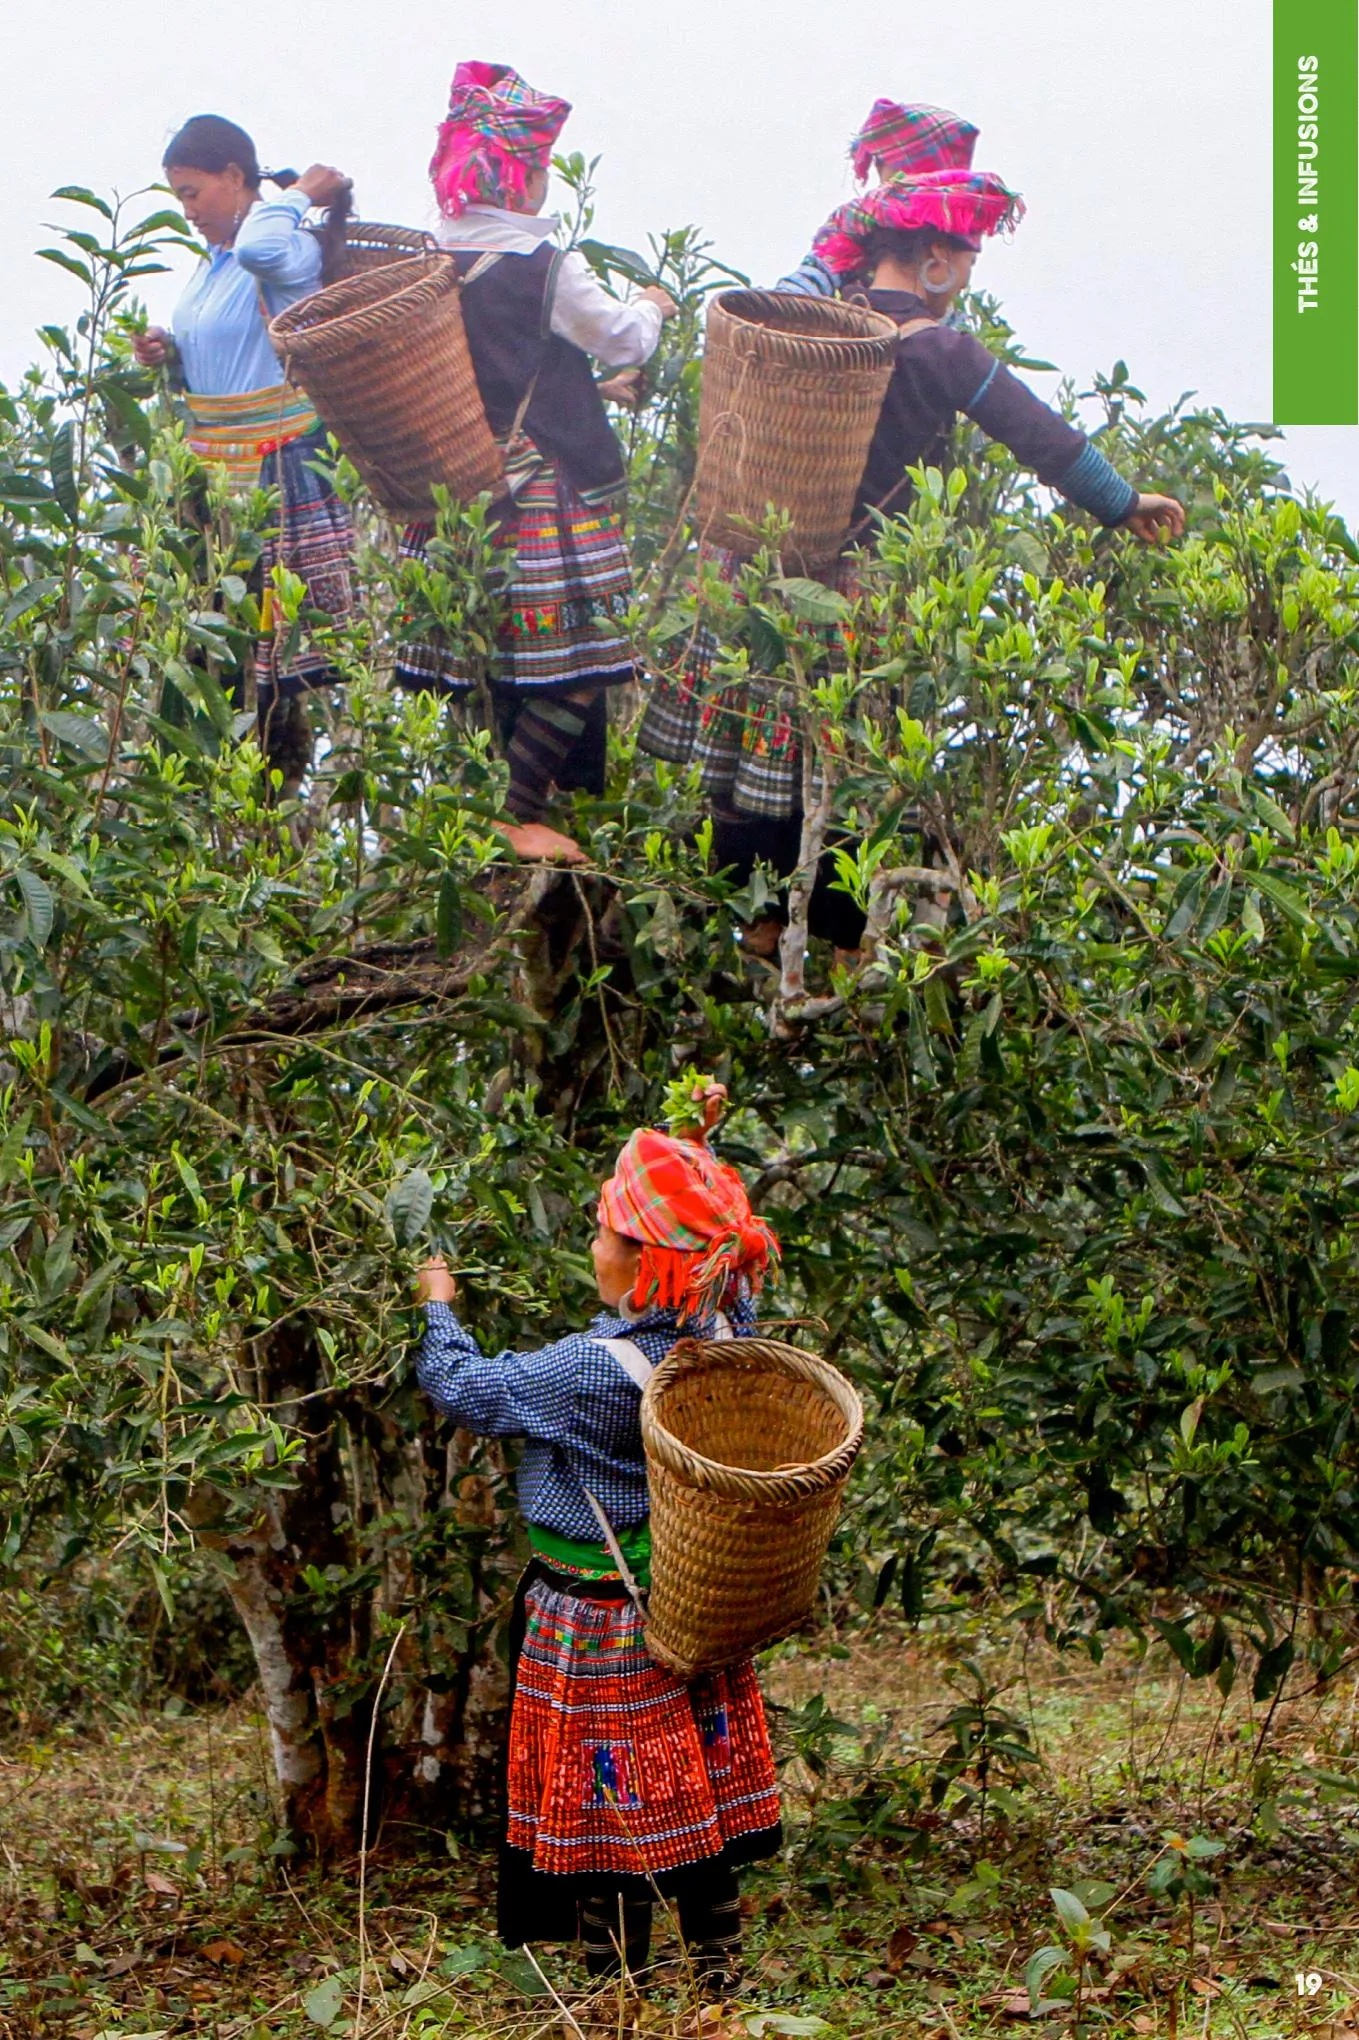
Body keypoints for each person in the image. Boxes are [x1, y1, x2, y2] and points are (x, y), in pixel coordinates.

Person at [638, 105, 1185, 958]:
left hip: (759, 568)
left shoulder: (814, 320)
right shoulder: (943, 352)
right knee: (847, 760)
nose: (965, 276)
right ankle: (842, 932)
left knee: (761, 741)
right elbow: (1042, 437)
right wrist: (1121, 502)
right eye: (963, 259)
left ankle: (755, 913)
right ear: (933, 259)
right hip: (856, 584)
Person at [413, 1080, 781, 1992]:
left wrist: (435, 1303)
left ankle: (614, 1985)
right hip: (684, 1604)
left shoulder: (588, 1371)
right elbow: (718, 1256)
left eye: (603, 1233)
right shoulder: (724, 1327)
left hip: (596, 1619)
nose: (591, 1246)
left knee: (602, 1805)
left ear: (643, 1259)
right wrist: (694, 1146)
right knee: (688, 1787)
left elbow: (465, 1389)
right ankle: (717, 1974)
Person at [394, 62, 676, 866]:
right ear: (522, 178)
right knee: (582, 656)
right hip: (540, 493)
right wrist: (652, 306)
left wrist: (594, 387)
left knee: (482, 661)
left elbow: (495, 363)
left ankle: (503, 807)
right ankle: (516, 812)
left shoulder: (425, 257)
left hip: (454, 487)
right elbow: (618, 336)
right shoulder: (542, 263)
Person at [134, 115, 357, 784]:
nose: (188, 210)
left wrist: (293, 195)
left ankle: (276, 802)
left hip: (275, 469)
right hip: (216, 477)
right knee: (214, 654)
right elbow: (220, 364)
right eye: (179, 196)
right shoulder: (213, 265)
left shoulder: (283, 247)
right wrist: (169, 355)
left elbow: (263, 250)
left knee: (270, 660)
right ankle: (220, 803)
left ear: (236, 178)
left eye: (194, 192)